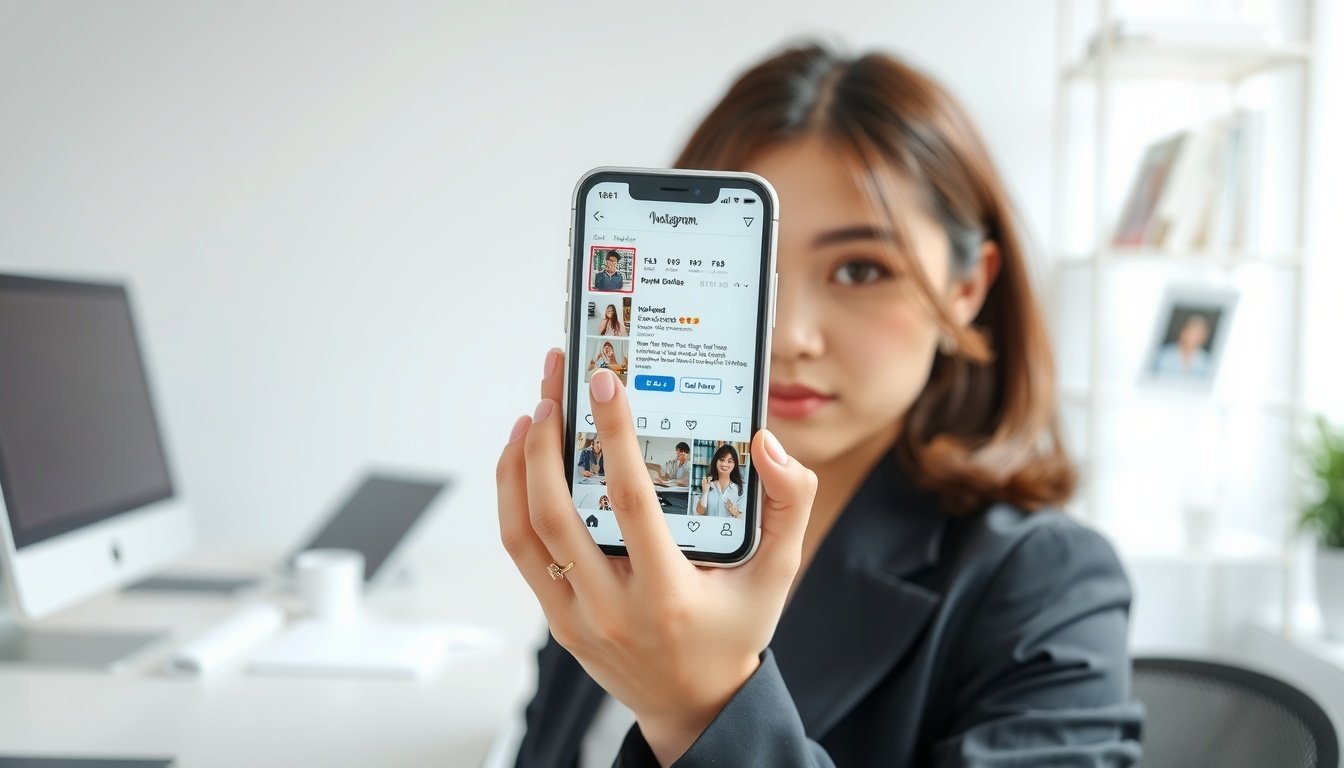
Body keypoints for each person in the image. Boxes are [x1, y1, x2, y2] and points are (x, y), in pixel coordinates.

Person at [499, 43, 1142, 767]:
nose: (791, 336)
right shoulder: (630, 516)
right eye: (750, 272)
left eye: (861, 269)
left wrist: (704, 711)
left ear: (967, 287)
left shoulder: (1046, 583)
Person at [1153, 312, 1213, 378]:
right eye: (1192, 331)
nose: (1194, 337)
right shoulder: (1163, 354)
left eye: (1199, 334)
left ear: (1204, 337)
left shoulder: (1206, 362)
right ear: (1183, 332)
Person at [693, 444, 745, 518]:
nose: (724, 464)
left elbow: (741, 518)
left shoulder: (739, 489)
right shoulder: (707, 484)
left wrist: (734, 512)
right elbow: (700, 512)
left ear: (734, 464)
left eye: (729, 461)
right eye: (722, 460)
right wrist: (705, 492)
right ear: (716, 461)